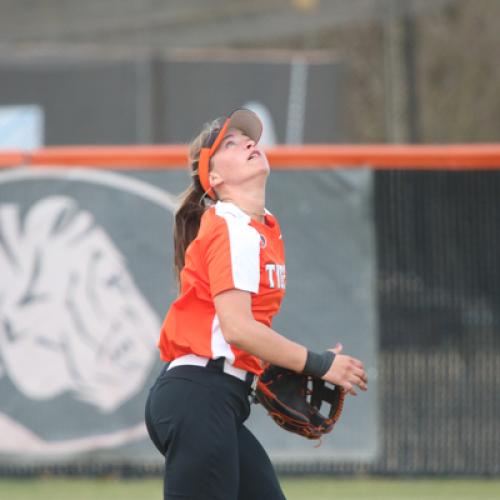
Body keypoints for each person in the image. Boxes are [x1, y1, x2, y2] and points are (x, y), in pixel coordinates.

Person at [145, 108, 368, 500]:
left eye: (249, 138)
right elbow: (238, 329)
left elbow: (238, 332)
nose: (249, 143)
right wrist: (317, 363)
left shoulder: (258, 227)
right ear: (213, 178)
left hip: (217, 399)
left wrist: (283, 361)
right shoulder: (232, 226)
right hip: (198, 396)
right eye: (229, 143)